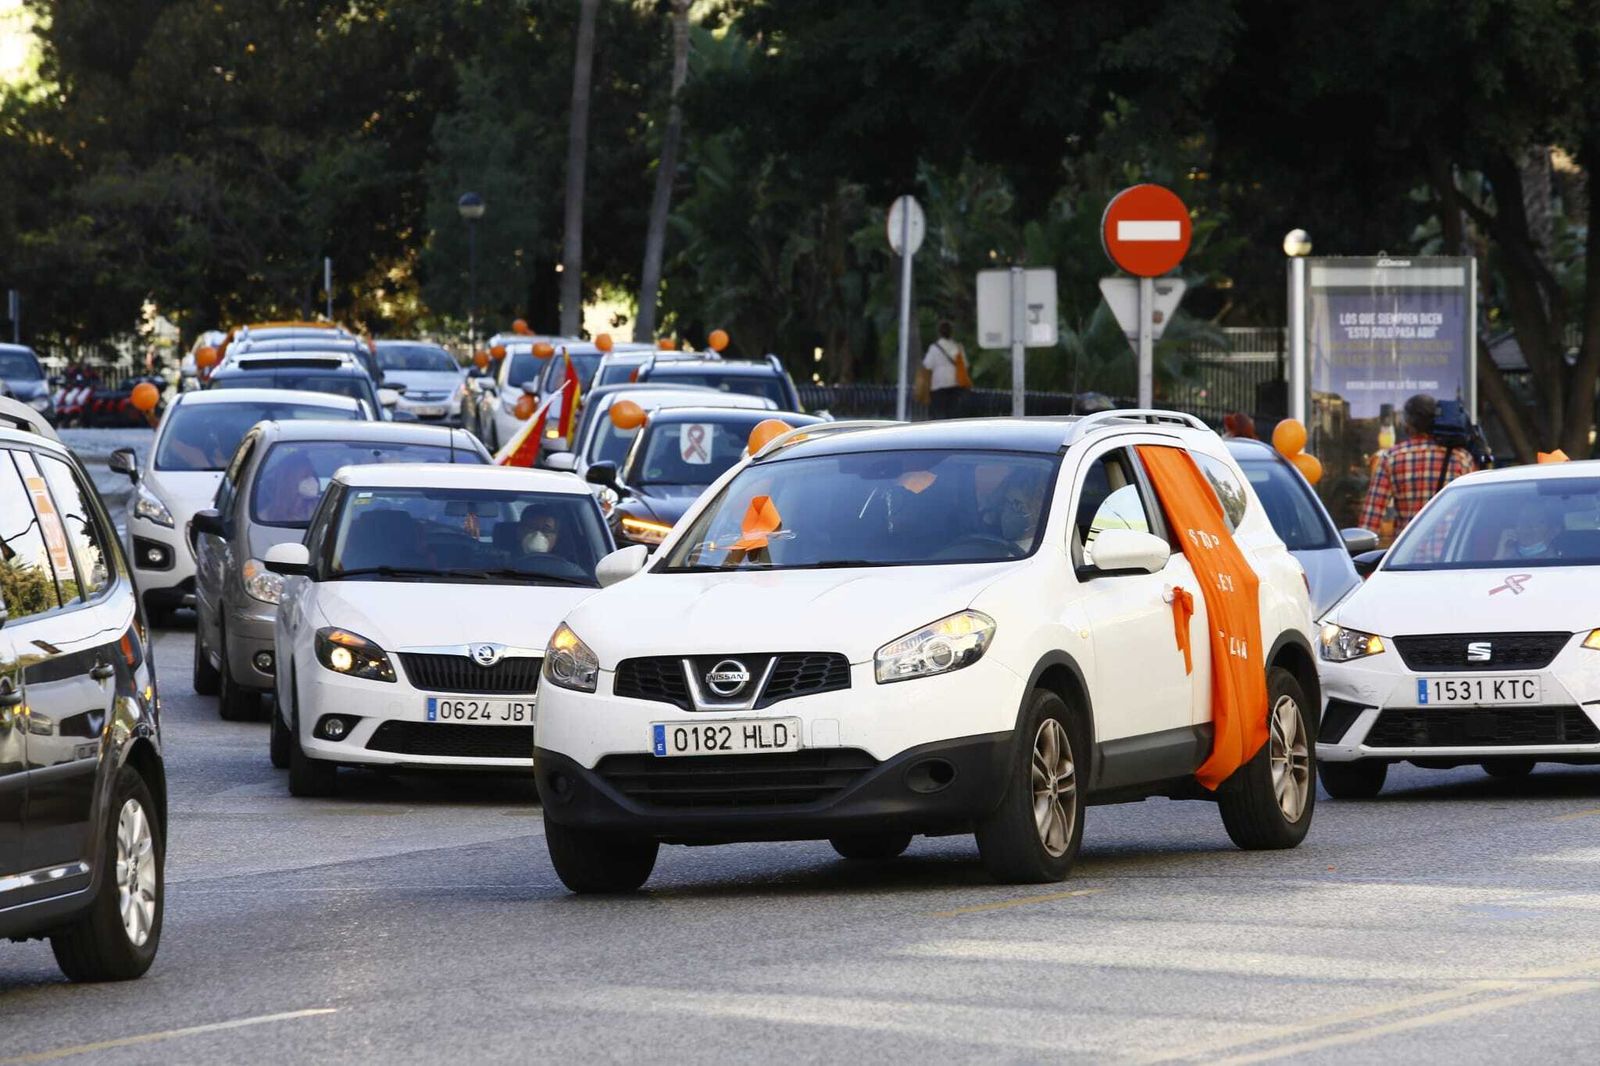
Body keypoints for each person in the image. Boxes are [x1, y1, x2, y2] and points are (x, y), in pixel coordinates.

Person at [1357, 393, 1475, 535]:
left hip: (1407, 553)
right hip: (1450, 554)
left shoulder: (1391, 458)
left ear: (1408, 423)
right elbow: (1473, 514)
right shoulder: (1461, 459)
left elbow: (1371, 518)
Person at [922, 321, 970, 420]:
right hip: (955, 385)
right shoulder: (957, 347)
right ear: (951, 332)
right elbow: (965, 365)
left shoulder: (934, 348)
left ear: (939, 333)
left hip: (938, 386)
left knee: (939, 414)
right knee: (953, 414)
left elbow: (927, 365)